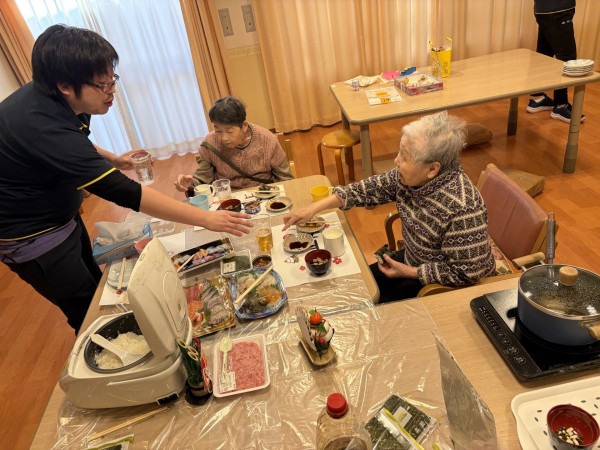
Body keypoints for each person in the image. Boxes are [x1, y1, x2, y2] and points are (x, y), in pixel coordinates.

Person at [0, 25, 251, 334]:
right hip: (31, 235)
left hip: (61, 216)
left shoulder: (59, 98)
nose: (112, 91)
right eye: (102, 84)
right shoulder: (39, 124)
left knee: (96, 288)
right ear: (64, 84)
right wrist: (205, 218)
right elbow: (125, 192)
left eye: (112, 79)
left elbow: (73, 139)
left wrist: (113, 159)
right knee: (85, 311)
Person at [283, 111, 495, 303]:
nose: (396, 161)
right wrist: (313, 209)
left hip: (442, 286)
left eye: (404, 156)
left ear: (432, 169)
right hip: (413, 260)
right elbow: (366, 189)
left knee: (368, 306)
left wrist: (408, 272)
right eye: (399, 152)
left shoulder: (462, 208)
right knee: (354, 288)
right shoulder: (410, 178)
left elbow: (465, 275)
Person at [174, 96, 294, 193]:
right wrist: (190, 185)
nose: (223, 138)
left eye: (229, 131)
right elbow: (202, 180)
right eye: (218, 131)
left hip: (264, 194)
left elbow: (286, 179)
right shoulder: (209, 143)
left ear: (244, 126)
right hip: (228, 198)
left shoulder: (267, 140)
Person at [526, 0, 585, 124]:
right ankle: (561, 105)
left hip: (542, 9)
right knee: (567, 57)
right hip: (559, 9)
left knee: (543, 54)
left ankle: (538, 97)